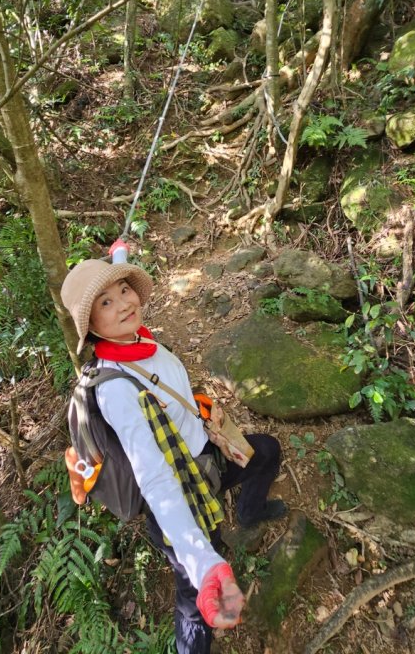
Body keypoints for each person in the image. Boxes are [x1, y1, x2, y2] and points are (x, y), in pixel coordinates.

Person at [61, 241, 287, 654]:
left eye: (125, 290)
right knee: (192, 601)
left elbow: (122, 295)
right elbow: (155, 476)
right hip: (181, 497)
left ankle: (251, 512)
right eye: (106, 302)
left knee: (267, 452)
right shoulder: (117, 391)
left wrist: (119, 260)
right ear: (91, 327)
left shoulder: (138, 341)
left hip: (207, 458)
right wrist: (200, 559)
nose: (125, 304)